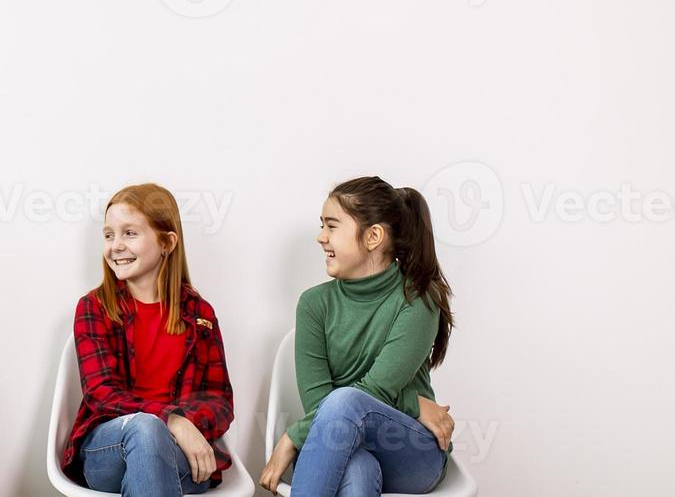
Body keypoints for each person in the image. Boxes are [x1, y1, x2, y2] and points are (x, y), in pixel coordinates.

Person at [260, 176, 457, 497]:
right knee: (358, 469)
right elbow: (320, 406)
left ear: (373, 236)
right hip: (340, 446)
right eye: (321, 225)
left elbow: (368, 393)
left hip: (412, 451)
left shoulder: (417, 301)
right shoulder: (313, 305)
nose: (320, 237)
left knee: (345, 402)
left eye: (332, 226)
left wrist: (293, 437)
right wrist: (413, 403)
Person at [62, 183, 235, 496]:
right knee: (145, 428)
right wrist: (172, 420)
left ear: (167, 242)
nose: (115, 245)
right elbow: (101, 394)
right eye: (108, 234)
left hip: (179, 454)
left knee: (149, 462)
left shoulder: (199, 312)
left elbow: (219, 399)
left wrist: (183, 427)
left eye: (130, 233)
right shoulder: (93, 307)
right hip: (107, 450)